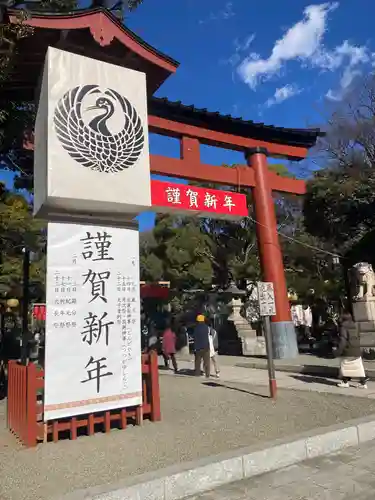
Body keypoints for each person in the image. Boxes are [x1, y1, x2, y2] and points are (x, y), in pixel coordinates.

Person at [334, 311, 368, 389]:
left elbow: (343, 340)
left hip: (348, 350)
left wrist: (338, 350)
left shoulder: (343, 327)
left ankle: (345, 382)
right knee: (358, 367)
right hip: (356, 349)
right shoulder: (355, 325)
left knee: (345, 365)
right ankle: (363, 383)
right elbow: (358, 337)